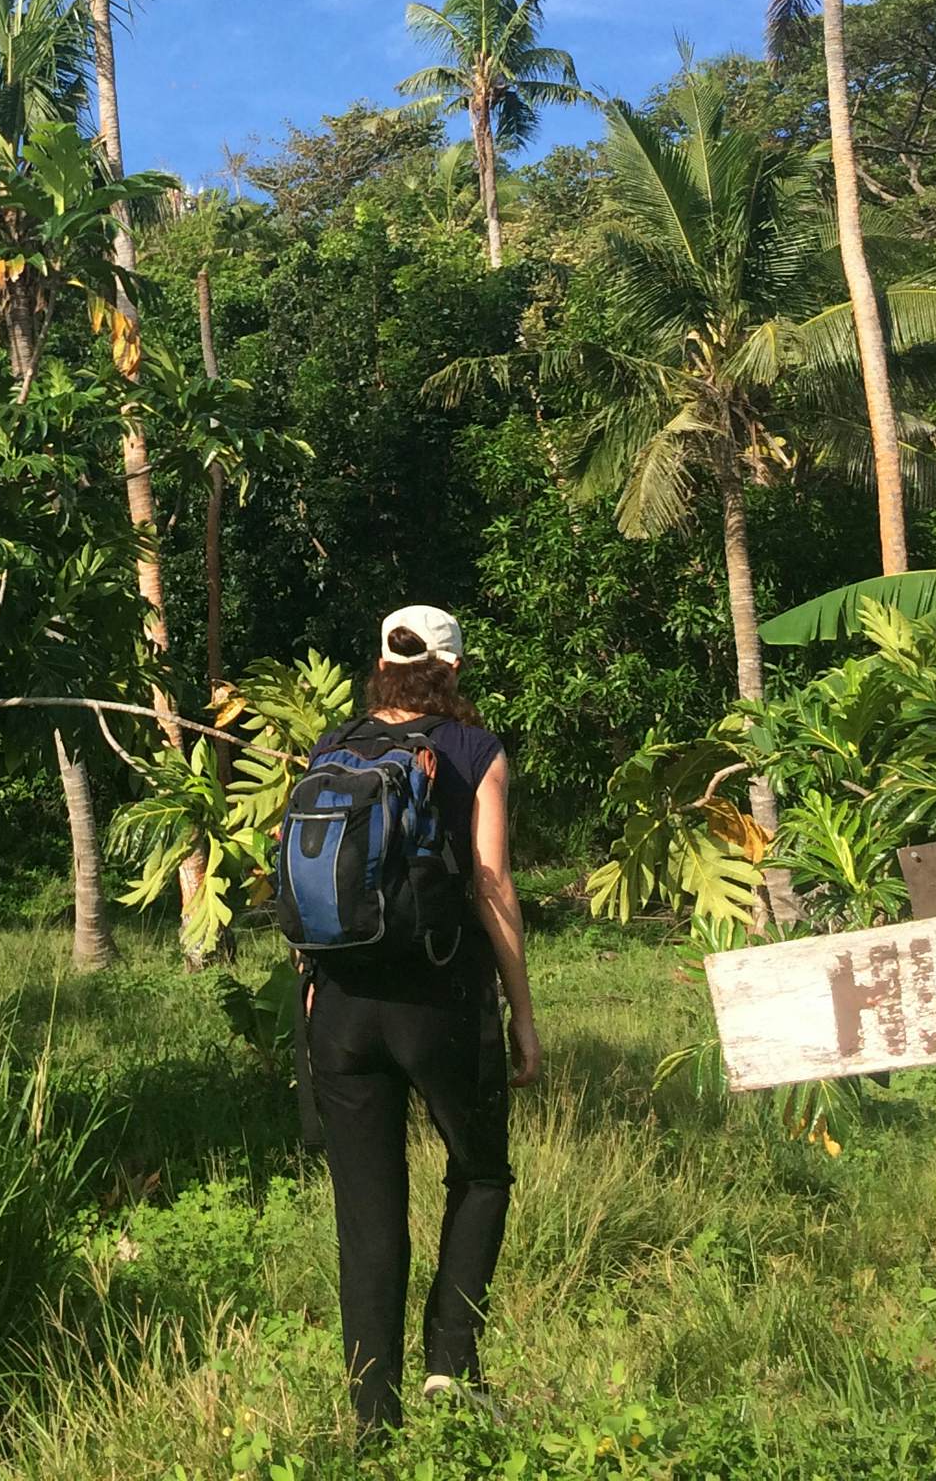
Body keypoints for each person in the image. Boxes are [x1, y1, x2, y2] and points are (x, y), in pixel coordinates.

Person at [302, 602, 541, 1436]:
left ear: (382, 665)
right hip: (439, 1002)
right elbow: (490, 885)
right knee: (480, 1173)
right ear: (453, 670)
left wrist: (313, 986)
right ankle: (454, 1368)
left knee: (367, 1218)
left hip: (338, 1010)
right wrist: (522, 1011)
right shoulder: (475, 749)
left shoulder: (332, 747)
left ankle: (374, 1420)